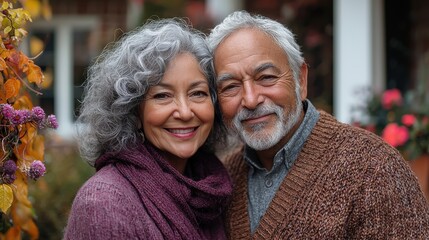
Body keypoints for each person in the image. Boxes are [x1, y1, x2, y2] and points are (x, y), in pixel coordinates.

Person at [207, 10, 429, 239]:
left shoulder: (375, 169)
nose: (251, 99)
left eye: (266, 77)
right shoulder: (223, 178)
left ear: (300, 80)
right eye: (230, 86)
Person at [63, 19, 232, 240]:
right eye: (162, 95)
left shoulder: (213, 190)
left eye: (197, 93)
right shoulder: (104, 203)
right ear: (133, 112)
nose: (184, 112)